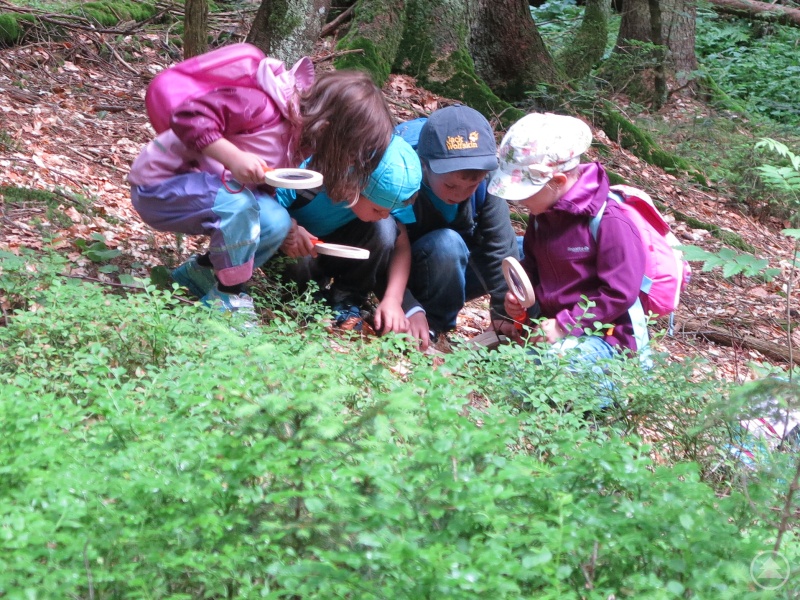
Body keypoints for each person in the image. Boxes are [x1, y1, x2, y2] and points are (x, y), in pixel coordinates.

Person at [128, 57, 395, 317]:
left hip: (214, 191)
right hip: (161, 184)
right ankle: (228, 297)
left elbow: (262, 190)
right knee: (240, 205)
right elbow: (188, 115)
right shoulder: (259, 104)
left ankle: (201, 274)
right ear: (328, 129)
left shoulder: (299, 139)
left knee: (274, 221)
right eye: (350, 154)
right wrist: (233, 157)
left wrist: (291, 229)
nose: (348, 162)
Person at [488, 112, 649, 362]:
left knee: (550, 367)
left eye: (525, 193)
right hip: (554, 331)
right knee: (513, 368)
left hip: (608, 338)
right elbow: (532, 266)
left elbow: (619, 292)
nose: (518, 201)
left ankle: (619, 387)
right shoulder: (542, 216)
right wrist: (520, 297)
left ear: (558, 181)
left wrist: (566, 324)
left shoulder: (608, 222)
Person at [393, 105, 519, 350]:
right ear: (425, 166)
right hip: (408, 268)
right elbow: (383, 245)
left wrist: (504, 311)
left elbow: (501, 246)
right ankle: (433, 325)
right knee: (447, 244)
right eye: (450, 186)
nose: (460, 194)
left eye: (471, 186)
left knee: (522, 252)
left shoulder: (487, 180)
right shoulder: (401, 175)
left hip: (454, 266)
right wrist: (409, 305)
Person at [278, 134, 422, 336]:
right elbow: (269, 203)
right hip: (298, 248)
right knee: (293, 247)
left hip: (338, 249)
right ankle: (304, 299)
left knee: (386, 230)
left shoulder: (390, 190)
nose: (384, 215)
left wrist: (393, 299)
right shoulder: (311, 175)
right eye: (377, 210)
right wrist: (289, 226)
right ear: (355, 188)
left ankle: (346, 298)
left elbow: (401, 245)